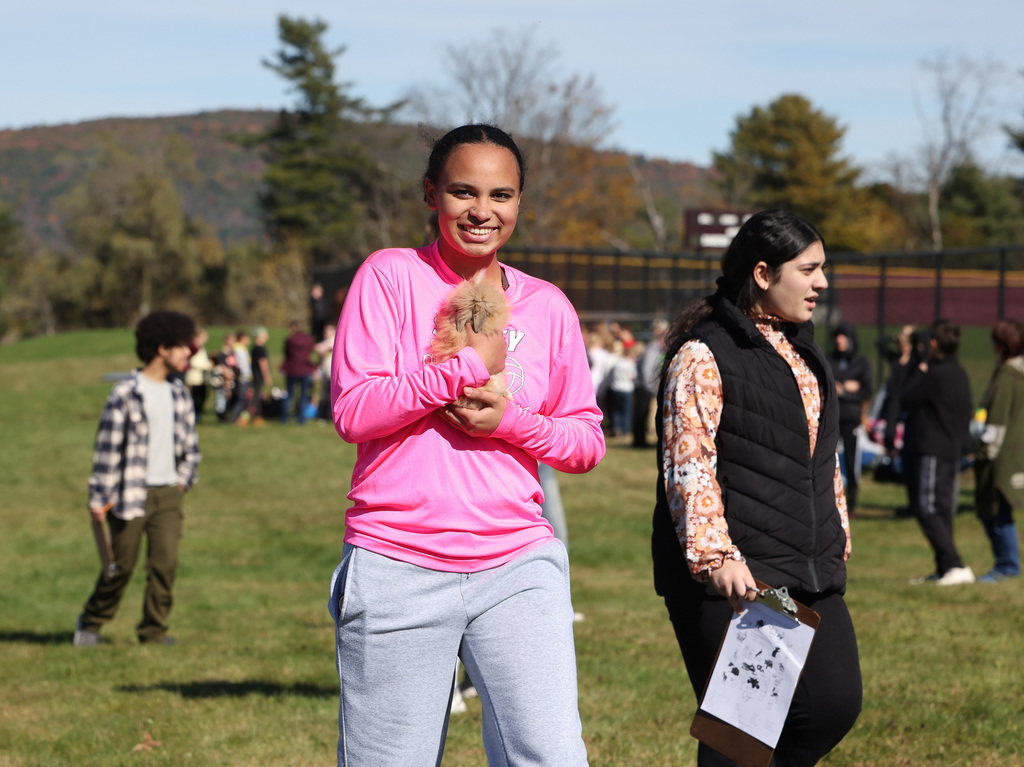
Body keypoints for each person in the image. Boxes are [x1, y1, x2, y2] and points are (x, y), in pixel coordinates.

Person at [329, 123, 604, 766]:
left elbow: (586, 441)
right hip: (398, 562)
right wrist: (456, 372)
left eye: (501, 195)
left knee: (552, 756)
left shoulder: (549, 306)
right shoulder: (388, 276)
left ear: (518, 203)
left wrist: (509, 422)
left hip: (517, 565)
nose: (483, 211)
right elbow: (352, 410)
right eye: (463, 192)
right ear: (431, 194)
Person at [651, 209, 861, 766]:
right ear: (764, 274)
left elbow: (823, 454)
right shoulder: (705, 354)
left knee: (834, 704)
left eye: (824, 269)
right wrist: (715, 556)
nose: (822, 282)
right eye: (809, 269)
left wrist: (836, 525)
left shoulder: (803, 350)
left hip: (808, 564)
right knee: (744, 733)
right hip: (741, 577)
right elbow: (687, 461)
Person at [73, 310, 201, 647]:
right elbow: (107, 451)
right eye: (182, 346)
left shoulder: (180, 395)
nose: (188, 352)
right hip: (129, 495)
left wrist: (183, 480)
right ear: (162, 348)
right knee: (120, 566)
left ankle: (153, 631)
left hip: (168, 495)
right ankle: (90, 622)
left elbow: (191, 447)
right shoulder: (124, 393)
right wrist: (98, 499)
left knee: (165, 565)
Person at [902, 319, 975, 586]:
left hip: (933, 449)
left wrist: (919, 369)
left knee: (928, 507)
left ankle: (955, 564)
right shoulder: (960, 372)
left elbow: (907, 398)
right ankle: (945, 567)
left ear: (933, 344)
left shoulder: (935, 374)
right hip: (951, 449)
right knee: (942, 509)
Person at [973, 319, 1024, 582]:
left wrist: (983, 452)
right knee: (1001, 508)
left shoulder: (1007, 375)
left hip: (1001, 454)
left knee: (996, 508)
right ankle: (1007, 563)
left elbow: (998, 421)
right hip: (1016, 451)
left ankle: (1007, 565)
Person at [826, 322, 873, 515]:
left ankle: (852, 502)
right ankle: (828, 499)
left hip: (851, 419)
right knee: (828, 459)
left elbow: (866, 391)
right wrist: (845, 388)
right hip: (832, 418)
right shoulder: (829, 360)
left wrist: (844, 391)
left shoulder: (861, 363)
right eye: (837, 336)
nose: (839, 340)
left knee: (852, 461)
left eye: (843, 336)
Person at [633, 318, 667, 448]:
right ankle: (639, 441)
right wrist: (650, 385)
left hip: (645, 386)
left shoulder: (655, 348)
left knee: (644, 414)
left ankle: (641, 440)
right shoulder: (653, 348)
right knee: (641, 414)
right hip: (644, 386)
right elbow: (647, 369)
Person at [281, 320, 317, 425]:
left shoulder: (289, 340)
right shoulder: (309, 339)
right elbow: (311, 351)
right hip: (305, 369)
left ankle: (284, 417)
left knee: (290, 394)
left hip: (292, 369)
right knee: (304, 395)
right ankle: (302, 418)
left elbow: (286, 354)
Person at [184, 327, 213, 423]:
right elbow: (191, 362)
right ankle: (192, 417)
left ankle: (198, 417)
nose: (205, 338)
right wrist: (206, 366)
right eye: (204, 336)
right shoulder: (192, 347)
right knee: (193, 399)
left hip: (203, 378)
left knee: (202, 398)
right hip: (193, 378)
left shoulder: (201, 347)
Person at [250, 326, 273, 427]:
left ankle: (258, 416)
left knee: (257, 395)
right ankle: (248, 416)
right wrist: (267, 376)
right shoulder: (260, 348)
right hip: (258, 375)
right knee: (255, 396)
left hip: (255, 374)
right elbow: (263, 362)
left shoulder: (255, 347)